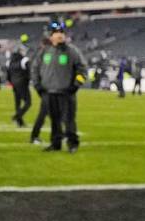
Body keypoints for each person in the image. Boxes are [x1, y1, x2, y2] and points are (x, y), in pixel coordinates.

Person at [36, 22, 86, 153]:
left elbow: (82, 70)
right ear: (51, 37)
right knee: (54, 120)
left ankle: (72, 143)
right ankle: (55, 143)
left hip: (66, 92)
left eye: (61, 33)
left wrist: (75, 85)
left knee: (68, 120)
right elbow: (35, 69)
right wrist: (38, 85)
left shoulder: (72, 51)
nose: (60, 36)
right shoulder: (45, 51)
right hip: (49, 92)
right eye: (56, 33)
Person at [28, 36, 51, 144]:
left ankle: (61, 134)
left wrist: (37, 85)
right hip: (48, 88)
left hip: (45, 87)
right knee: (44, 112)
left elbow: (35, 70)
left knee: (52, 112)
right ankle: (34, 136)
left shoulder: (41, 54)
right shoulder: (47, 54)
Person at [6, 37, 31, 127]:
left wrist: (11, 82)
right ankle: (17, 116)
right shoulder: (24, 60)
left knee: (18, 103)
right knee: (28, 103)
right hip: (23, 84)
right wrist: (28, 81)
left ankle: (20, 122)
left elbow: (8, 74)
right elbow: (29, 72)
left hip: (14, 84)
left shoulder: (9, 62)